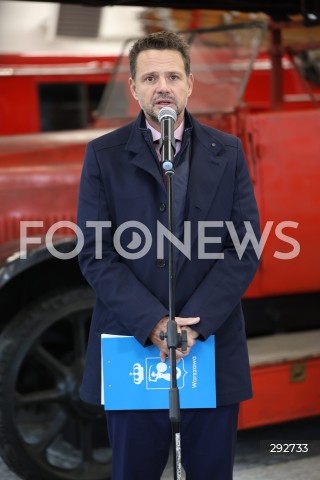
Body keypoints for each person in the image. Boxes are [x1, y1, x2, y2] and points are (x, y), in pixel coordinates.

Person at [77, 31, 260, 480]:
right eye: (151, 77)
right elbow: (96, 252)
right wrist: (155, 323)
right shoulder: (103, 156)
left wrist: (193, 324)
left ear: (190, 84)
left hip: (210, 344)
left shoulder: (228, 151)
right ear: (134, 88)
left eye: (173, 76)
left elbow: (244, 245)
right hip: (132, 347)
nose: (163, 86)